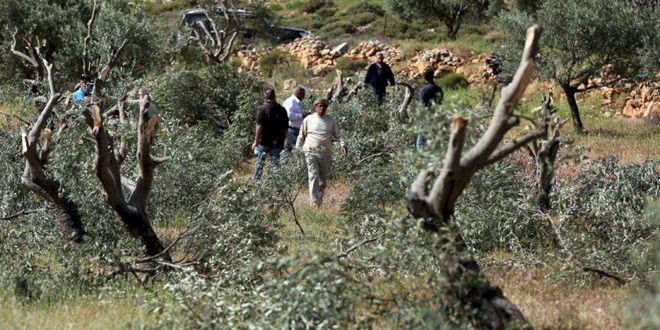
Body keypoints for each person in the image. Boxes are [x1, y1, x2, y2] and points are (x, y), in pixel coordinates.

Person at [296, 99, 347, 207]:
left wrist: (342, 145)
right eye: (319, 106)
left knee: (322, 180)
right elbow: (301, 136)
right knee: (313, 175)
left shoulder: (330, 120)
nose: (322, 108)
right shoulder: (308, 119)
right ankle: (314, 203)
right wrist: (297, 150)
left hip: (325, 154)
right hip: (310, 152)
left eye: (324, 106)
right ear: (315, 107)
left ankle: (319, 201)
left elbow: (338, 135)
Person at [252, 88, 289, 181]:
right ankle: (273, 187)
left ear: (265, 96)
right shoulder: (282, 110)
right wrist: (283, 141)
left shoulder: (261, 109)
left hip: (264, 141)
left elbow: (259, 126)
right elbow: (285, 128)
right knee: (275, 166)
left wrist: (255, 141)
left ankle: (255, 185)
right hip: (277, 141)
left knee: (259, 165)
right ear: (275, 96)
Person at [416, 68, 444, 149]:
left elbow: (422, 105)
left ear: (424, 77)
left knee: (420, 143)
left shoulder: (423, 90)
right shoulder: (439, 89)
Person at [282, 86, 308, 151]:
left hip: (296, 131)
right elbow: (288, 115)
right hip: (291, 131)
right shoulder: (291, 101)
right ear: (299, 93)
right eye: (303, 94)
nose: (304, 97)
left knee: (294, 152)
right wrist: (301, 115)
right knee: (287, 151)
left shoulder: (296, 102)